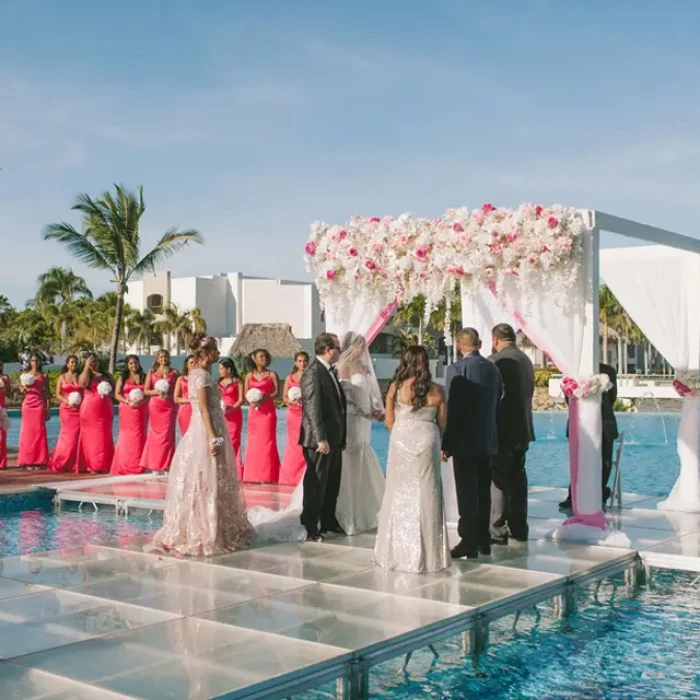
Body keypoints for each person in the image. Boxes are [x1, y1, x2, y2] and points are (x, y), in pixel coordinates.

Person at [151, 335, 256, 556]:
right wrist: (213, 437)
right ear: (206, 353)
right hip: (206, 430)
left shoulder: (199, 374)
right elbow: (203, 409)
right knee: (208, 477)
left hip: (212, 427)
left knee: (213, 478)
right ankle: (206, 529)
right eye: (215, 350)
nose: (218, 354)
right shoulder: (202, 376)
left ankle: (216, 525)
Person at [374, 345, 450, 573]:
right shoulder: (437, 390)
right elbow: (443, 424)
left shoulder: (395, 388)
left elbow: (389, 421)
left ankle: (396, 554)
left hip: (401, 440)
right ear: (426, 362)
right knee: (429, 493)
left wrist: (403, 433)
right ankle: (430, 557)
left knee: (397, 492)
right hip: (427, 440)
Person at [442, 329, 502, 559]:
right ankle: (483, 539)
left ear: (459, 346)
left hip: (465, 440)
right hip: (488, 439)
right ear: (480, 343)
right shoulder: (493, 368)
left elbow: (453, 409)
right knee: (483, 491)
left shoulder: (456, 369)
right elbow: (498, 401)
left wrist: (447, 442)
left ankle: (468, 540)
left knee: (466, 492)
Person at [335, 333, 386, 535]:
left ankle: (369, 505)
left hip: (365, 420)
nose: (361, 350)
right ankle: (349, 509)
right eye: (359, 347)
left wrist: (375, 410)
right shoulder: (343, 366)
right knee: (352, 455)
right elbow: (345, 398)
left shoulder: (362, 368)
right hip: (352, 418)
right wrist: (365, 412)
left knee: (364, 452)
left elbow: (370, 393)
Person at [489, 323, 535, 544]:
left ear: (495, 339)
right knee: (518, 478)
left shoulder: (495, 361)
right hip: (523, 429)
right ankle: (519, 526)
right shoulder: (526, 360)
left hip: (501, 428)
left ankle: (497, 528)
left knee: (498, 479)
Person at [299, 333, 346, 541]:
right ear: (328, 349)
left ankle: (328, 520)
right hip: (319, 440)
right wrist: (320, 439)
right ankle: (310, 526)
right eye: (338, 347)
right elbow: (312, 408)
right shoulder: (312, 373)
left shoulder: (329, 371)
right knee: (316, 483)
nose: (340, 351)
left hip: (334, 438)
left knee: (332, 482)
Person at [559, 362, 619, 509]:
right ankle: (573, 495)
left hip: (604, 422)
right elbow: (569, 397)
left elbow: (612, 397)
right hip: (579, 422)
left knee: (604, 462)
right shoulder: (572, 369)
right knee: (577, 461)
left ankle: (600, 494)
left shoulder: (608, 370)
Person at [243, 348, 281, 483]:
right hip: (254, 412)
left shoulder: (272, 374)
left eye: (265, 357)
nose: (264, 359)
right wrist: (252, 400)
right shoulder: (249, 375)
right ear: (254, 359)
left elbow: (277, 393)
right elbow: (245, 394)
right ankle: (253, 475)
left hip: (268, 412)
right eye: (261, 357)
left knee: (267, 442)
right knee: (254, 443)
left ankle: (268, 475)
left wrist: (264, 399)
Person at [141, 349, 179, 472]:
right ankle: (155, 465)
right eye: (161, 357)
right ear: (157, 359)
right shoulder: (151, 373)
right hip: (156, 405)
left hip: (169, 406)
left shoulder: (174, 372)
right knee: (154, 435)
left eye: (166, 356)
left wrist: (170, 395)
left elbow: (178, 391)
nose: (164, 359)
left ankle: (167, 464)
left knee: (168, 435)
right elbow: (146, 391)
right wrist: (156, 392)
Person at [111, 355, 149, 475]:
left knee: (140, 434)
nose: (133, 365)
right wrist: (127, 401)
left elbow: (148, 393)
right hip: (127, 409)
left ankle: (140, 464)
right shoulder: (123, 377)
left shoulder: (145, 377)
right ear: (127, 365)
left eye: (135, 363)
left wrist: (141, 401)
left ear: (139, 364)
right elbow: (117, 394)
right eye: (131, 363)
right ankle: (126, 464)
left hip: (142, 409)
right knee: (127, 436)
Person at [77, 353, 115, 473]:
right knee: (91, 438)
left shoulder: (107, 375)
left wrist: (108, 392)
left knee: (104, 436)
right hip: (89, 410)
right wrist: (87, 367)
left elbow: (115, 392)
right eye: (91, 361)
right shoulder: (84, 375)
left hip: (105, 409)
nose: (94, 363)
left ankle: (105, 464)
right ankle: (93, 465)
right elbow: (82, 384)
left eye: (95, 360)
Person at [279, 351, 309, 486]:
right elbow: (284, 397)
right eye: (300, 361)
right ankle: (290, 476)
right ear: (295, 363)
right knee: (293, 444)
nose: (303, 364)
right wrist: (292, 402)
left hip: (307, 413)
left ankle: (304, 475)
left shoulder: (311, 377)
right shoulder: (289, 378)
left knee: (305, 442)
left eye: (305, 361)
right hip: (293, 414)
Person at [49, 355, 83, 473]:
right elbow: (58, 394)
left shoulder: (81, 377)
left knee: (78, 436)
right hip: (67, 410)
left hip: (79, 409)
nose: (74, 364)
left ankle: (75, 462)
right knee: (67, 436)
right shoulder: (62, 377)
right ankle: (62, 461)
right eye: (72, 362)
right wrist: (68, 401)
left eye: (76, 362)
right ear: (67, 364)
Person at [18, 352, 50, 469]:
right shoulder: (25, 374)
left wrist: (48, 408)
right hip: (28, 405)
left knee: (39, 432)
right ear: (29, 362)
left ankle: (39, 460)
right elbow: (21, 389)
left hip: (39, 404)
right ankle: (28, 460)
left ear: (41, 362)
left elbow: (47, 393)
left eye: (37, 361)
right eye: (33, 361)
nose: (35, 363)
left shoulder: (44, 376)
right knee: (27, 433)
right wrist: (24, 389)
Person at [218, 357, 244, 479]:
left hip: (234, 414)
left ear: (228, 369)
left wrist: (231, 409)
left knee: (233, 440)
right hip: (221, 414)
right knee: (222, 439)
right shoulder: (218, 382)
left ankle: (234, 469)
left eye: (221, 368)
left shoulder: (237, 381)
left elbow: (241, 399)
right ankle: (223, 468)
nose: (219, 371)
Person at [175, 355, 197, 437]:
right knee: (187, 436)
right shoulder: (181, 379)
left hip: (199, 409)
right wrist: (188, 400)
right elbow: (176, 398)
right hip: (185, 410)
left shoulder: (202, 378)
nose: (194, 365)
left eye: (196, 363)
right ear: (186, 365)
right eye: (191, 363)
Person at [0, 360, 11, 469]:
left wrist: (4, 390)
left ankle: (2, 462)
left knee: (2, 435)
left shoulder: (5, 378)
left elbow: (9, 393)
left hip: (1, 407)